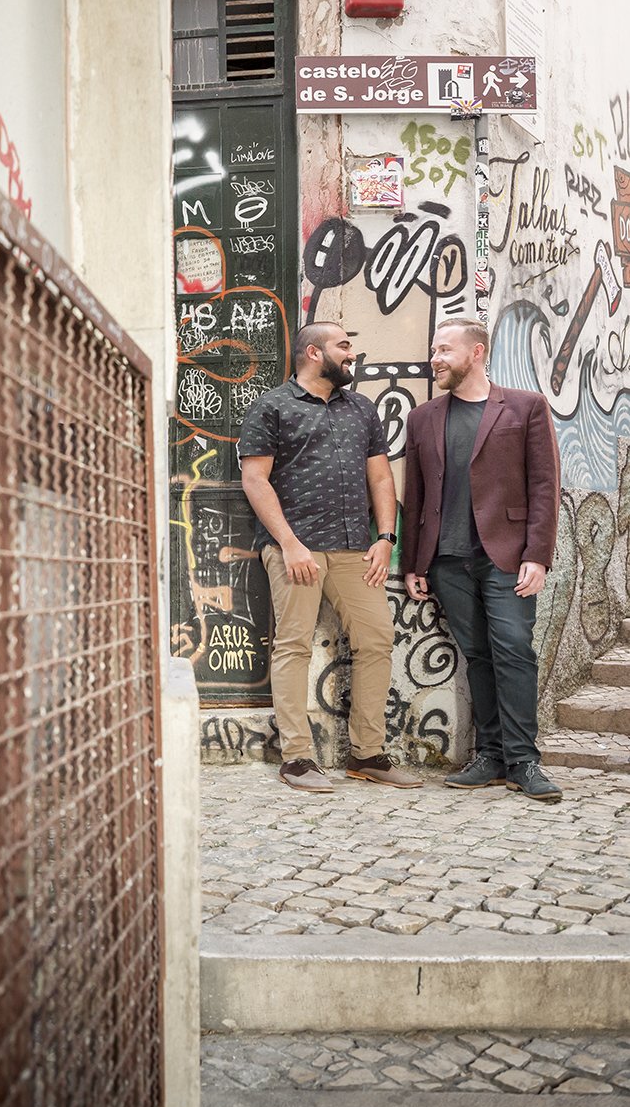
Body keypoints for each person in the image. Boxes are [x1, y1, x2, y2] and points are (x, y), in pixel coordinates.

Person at [238, 321, 420, 792]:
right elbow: (255, 480)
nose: (352, 353)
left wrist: (385, 537)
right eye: (344, 345)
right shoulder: (272, 406)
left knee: (377, 639)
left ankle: (368, 755)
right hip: (294, 549)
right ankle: (297, 758)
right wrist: (289, 544)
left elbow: (380, 479)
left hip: (355, 548)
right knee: (294, 646)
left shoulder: (361, 408)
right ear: (314, 353)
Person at [402, 318, 563, 802]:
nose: (436, 358)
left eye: (445, 350)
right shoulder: (424, 417)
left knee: (514, 649)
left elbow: (544, 485)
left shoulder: (525, 407)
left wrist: (539, 555)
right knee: (479, 657)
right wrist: (413, 563)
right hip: (447, 559)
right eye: (434, 349)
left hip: (507, 555)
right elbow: (416, 490)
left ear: (476, 352)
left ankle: (524, 760)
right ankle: (491, 755)